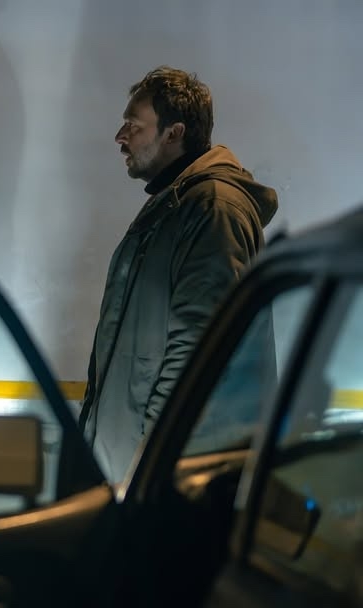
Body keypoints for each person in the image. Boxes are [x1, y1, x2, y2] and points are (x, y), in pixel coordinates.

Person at [77, 66, 279, 483]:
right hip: (136, 472)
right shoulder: (175, 206)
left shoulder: (213, 209)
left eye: (133, 125)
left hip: (156, 476)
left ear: (174, 133)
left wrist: (154, 461)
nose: (120, 137)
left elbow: (197, 352)